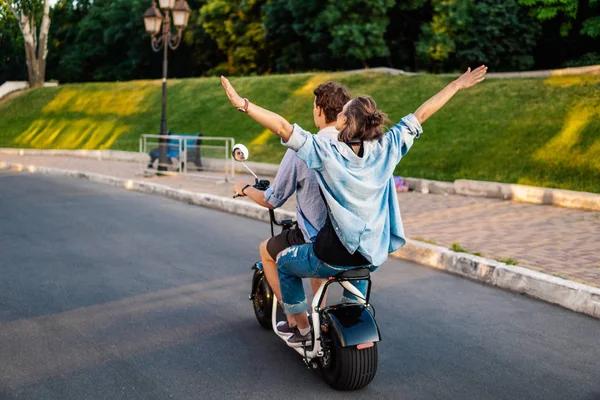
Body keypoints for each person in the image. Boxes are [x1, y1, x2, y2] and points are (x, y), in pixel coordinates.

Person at [221, 65, 488, 346]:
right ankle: (353, 313)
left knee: (285, 262)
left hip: (335, 251)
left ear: (344, 121)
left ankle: (300, 330)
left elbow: (283, 127)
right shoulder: (386, 147)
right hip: (371, 253)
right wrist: (456, 85)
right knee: (355, 275)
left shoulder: (326, 153)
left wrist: (243, 104)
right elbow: (421, 115)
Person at [232, 82, 351, 335]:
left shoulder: (304, 148)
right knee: (315, 244)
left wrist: (244, 188)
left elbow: (272, 199)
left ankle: (300, 323)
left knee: (268, 251)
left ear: (319, 110)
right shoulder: (355, 147)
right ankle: (321, 314)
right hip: (352, 239)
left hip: (318, 240)